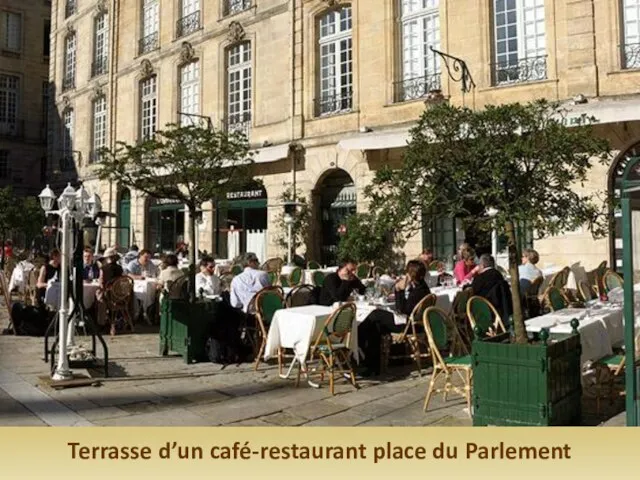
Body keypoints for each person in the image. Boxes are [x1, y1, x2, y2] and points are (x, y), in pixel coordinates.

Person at [470, 254, 513, 325]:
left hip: (487, 309)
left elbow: (473, 291)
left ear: (482, 265)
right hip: (502, 308)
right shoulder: (499, 275)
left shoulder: (481, 278)